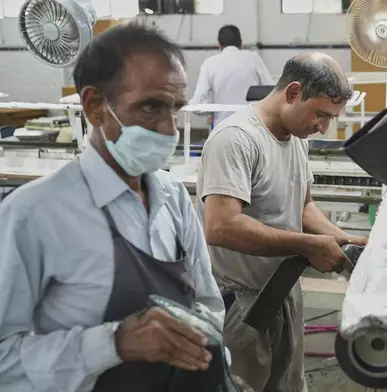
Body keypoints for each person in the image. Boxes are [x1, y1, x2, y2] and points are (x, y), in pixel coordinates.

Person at [0, 23, 227, 391]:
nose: (170, 130)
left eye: (176, 109)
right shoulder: (36, 213)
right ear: (94, 106)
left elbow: (208, 303)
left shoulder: (172, 198)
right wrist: (112, 344)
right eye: (151, 107)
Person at [196, 53, 369, 392]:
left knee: (286, 384)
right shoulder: (236, 138)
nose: (323, 127)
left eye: (330, 118)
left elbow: (302, 206)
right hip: (242, 304)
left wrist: (345, 241)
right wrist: (307, 244)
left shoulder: (295, 140)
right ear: (292, 92)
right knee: (242, 385)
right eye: (320, 114)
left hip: (281, 292)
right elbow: (221, 226)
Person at [191, 25, 275, 129]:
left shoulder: (210, 63)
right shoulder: (253, 59)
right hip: (252, 127)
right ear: (241, 44)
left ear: (219, 45)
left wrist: (215, 108)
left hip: (222, 128)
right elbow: (273, 92)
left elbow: (196, 104)